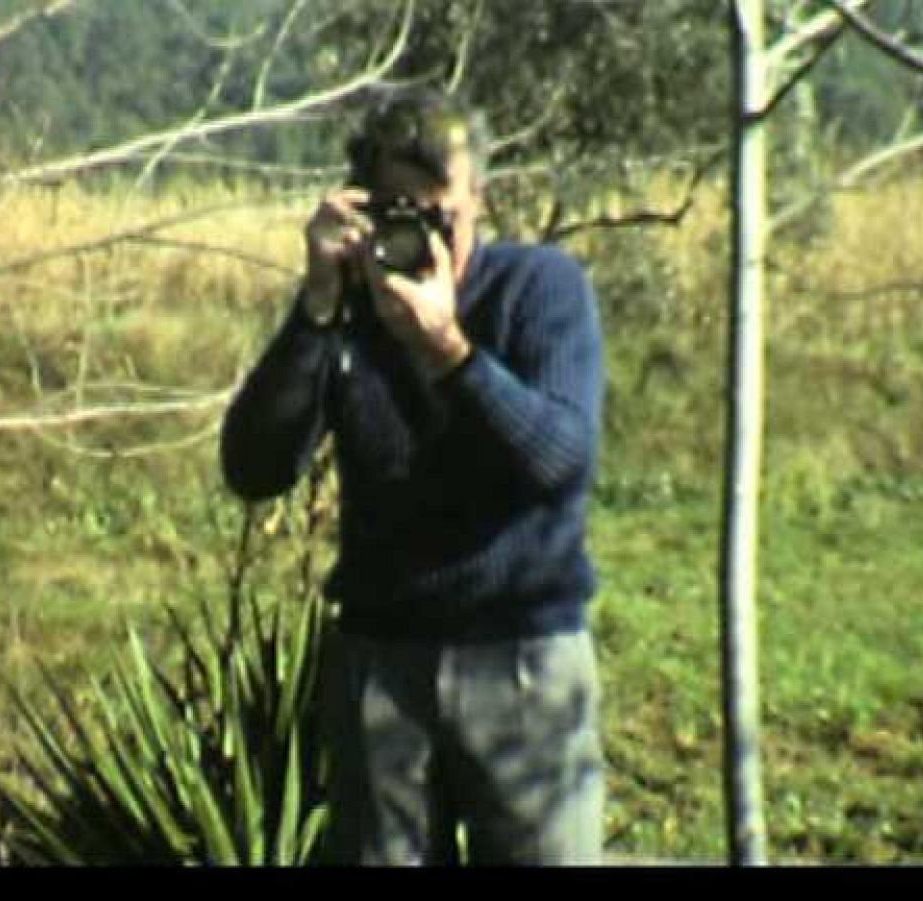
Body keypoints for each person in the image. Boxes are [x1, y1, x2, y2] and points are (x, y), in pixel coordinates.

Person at [219, 87, 606, 866]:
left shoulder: (539, 289)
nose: (425, 238)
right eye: (401, 213)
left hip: (522, 658)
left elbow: (561, 460)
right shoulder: (351, 311)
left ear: (480, 201)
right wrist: (316, 308)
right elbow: (255, 467)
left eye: (443, 215)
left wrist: (449, 352)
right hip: (384, 663)